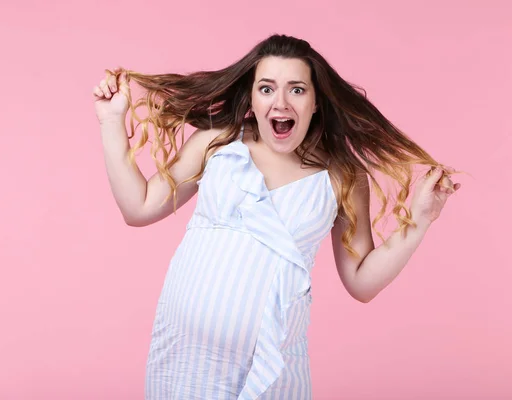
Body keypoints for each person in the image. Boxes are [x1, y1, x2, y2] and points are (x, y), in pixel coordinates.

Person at [92, 34, 460, 399]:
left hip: (273, 373)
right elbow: (138, 207)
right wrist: (112, 123)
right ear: (252, 97)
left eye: (297, 90)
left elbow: (361, 283)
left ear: (316, 102)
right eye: (266, 89)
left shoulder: (342, 176)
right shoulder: (217, 142)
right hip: (185, 365)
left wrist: (421, 219)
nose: (280, 102)